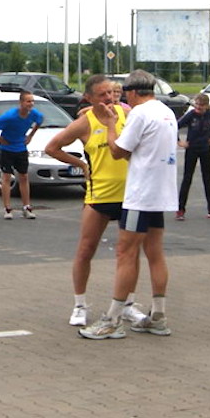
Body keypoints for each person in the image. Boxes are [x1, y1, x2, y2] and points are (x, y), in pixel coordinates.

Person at [79, 70, 178, 340]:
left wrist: (111, 125)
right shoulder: (166, 112)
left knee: (125, 252)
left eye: (124, 95)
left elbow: (117, 151)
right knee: (155, 253)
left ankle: (112, 319)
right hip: (160, 192)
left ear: (133, 92)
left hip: (140, 195)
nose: (123, 100)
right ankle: (158, 315)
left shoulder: (140, 113)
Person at [45, 75, 145, 327]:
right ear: (89, 98)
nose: (109, 98)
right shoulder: (84, 122)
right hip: (99, 195)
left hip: (130, 195)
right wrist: (80, 165)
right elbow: (52, 148)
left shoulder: (127, 114)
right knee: (85, 250)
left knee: (130, 253)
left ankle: (128, 304)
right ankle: (80, 305)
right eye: (102, 94)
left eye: (112, 93)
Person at [0, 91, 43, 219]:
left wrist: (30, 135)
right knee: (6, 177)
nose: (31, 104)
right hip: (7, 148)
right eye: (28, 101)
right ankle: (7, 208)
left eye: (32, 101)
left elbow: (40, 120)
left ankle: (26, 207)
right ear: (21, 102)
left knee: (24, 176)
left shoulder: (33, 114)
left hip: (21, 148)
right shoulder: (10, 116)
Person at [176, 93, 210, 220]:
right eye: (196, 104)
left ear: (206, 106)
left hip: (205, 149)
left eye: (201, 105)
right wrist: (179, 141)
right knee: (187, 178)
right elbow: (175, 126)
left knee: (207, 179)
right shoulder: (191, 115)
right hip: (192, 149)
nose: (198, 107)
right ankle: (180, 209)